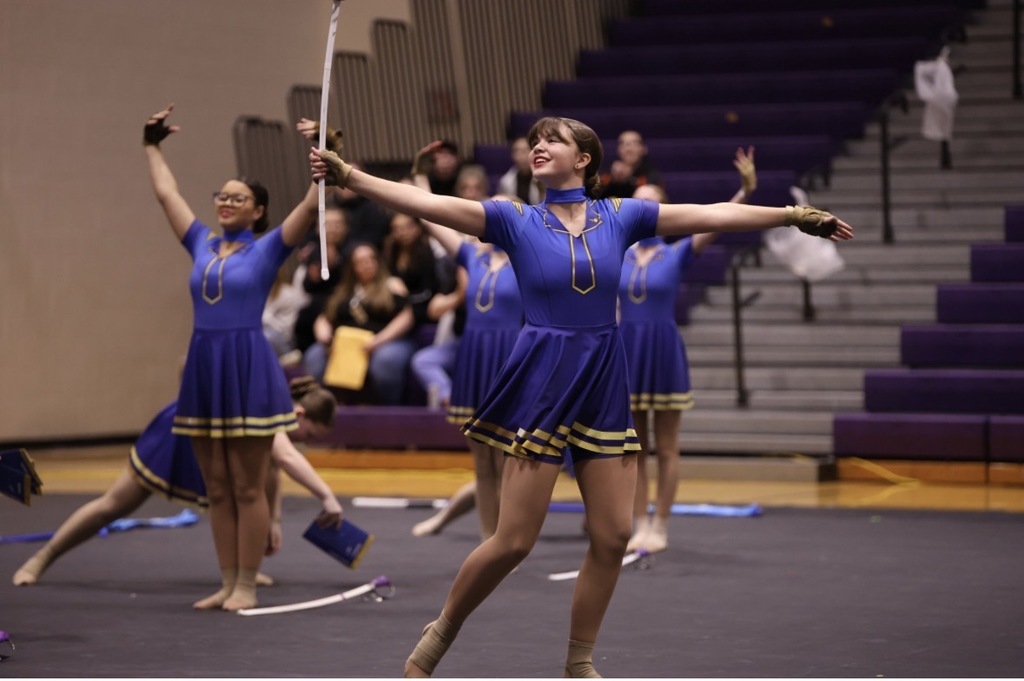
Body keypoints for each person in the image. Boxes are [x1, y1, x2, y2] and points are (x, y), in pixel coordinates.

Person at [309, 115, 852, 677]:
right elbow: (426, 205)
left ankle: (578, 660)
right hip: (544, 379)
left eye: (553, 141)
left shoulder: (622, 215)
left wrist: (792, 215)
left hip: (603, 378)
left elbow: (712, 214)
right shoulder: (514, 218)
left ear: (584, 159)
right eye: (536, 141)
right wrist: (352, 176)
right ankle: (442, 628)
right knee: (514, 541)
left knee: (614, 534)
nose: (539, 147)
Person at [144, 103, 331, 611]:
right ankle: (227, 580)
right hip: (205, 370)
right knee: (219, 487)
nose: (226, 203)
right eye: (222, 196)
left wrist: (328, 149)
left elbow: (316, 195)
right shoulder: (201, 242)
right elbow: (167, 194)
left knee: (250, 486)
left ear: (257, 212)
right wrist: (151, 146)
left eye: (238, 198)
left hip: (246, 367)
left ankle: (248, 582)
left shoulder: (269, 248)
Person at [12, 376, 343, 590]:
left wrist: (273, 520)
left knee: (242, 497)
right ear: (299, 414)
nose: (307, 443)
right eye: (310, 436)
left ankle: (243, 571)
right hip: (180, 433)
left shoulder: (276, 420)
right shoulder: (271, 406)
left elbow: (271, 470)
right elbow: (285, 457)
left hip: (211, 440)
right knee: (113, 505)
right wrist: (327, 497)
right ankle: (42, 558)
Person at [620, 147, 756, 555]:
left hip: (661, 349)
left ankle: (660, 523)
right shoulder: (618, 255)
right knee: (633, 446)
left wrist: (745, 191)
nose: (644, 209)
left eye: (652, 204)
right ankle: (637, 521)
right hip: (627, 350)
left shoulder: (676, 252)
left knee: (666, 446)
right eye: (638, 203)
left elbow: (716, 220)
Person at [409, 154, 525, 541]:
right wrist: (420, 179)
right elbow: (430, 216)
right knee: (482, 462)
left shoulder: (530, 260)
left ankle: (508, 540)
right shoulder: (471, 254)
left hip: (510, 358)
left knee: (507, 459)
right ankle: (488, 542)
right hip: (475, 359)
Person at [305, 243, 416, 405]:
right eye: (361, 261)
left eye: (371, 259)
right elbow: (324, 319)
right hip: (344, 344)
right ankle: (325, 408)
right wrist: (326, 338)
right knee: (314, 356)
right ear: (352, 266)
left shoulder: (393, 284)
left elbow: (407, 316)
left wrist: (378, 341)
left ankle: (389, 411)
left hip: (386, 341)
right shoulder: (343, 290)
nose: (368, 264)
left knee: (386, 360)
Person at [598, 129, 663, 199]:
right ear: (618, 149)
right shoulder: (607, 173)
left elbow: (653, 198)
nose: (628, 149)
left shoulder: (651, 174)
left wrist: (629, 180)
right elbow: (594, 196)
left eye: (634, 143)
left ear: (644, 149)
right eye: (623, 144)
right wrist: (614, 181)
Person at [495, 136, 542, 205]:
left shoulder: (544, 177)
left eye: (524, 151)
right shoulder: (506, 181)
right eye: (517, 151)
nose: (521, 155)